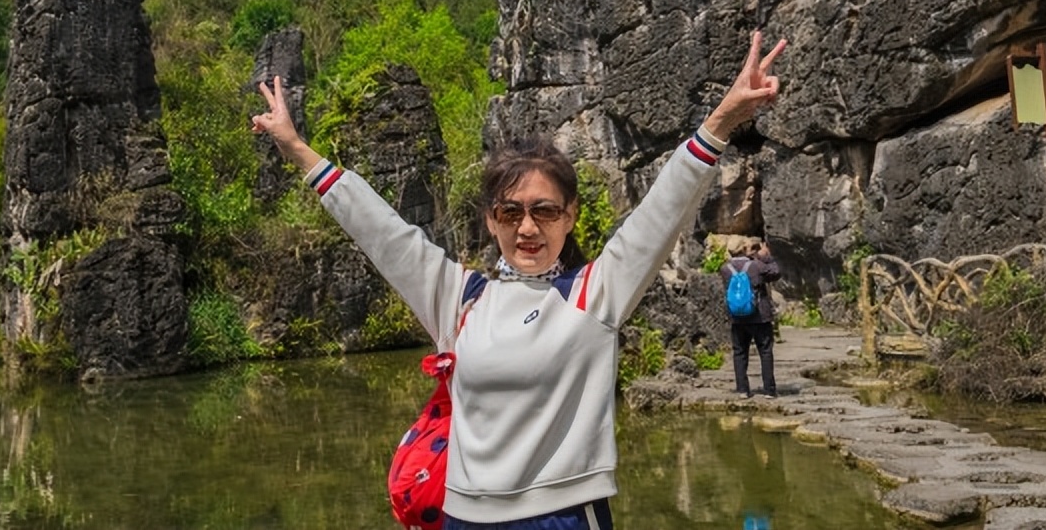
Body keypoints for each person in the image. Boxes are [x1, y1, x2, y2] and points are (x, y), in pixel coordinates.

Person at [251, 31, 786, 529]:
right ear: (491, 219)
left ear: (570, 216)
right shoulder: (459, 301)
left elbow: (661, 211)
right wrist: (297, 148)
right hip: (462, 515)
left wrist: (721, 120)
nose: (527, 228)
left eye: (544, 211)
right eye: (511, 212)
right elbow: (382, 233)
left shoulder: (594, 294)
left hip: (563, 515)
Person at [720, 239, 781, 397]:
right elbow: (776, 273)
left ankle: (742, 390)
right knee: (765, 351)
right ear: (744, 248)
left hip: (737, 317)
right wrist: (766, 256)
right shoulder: (756, 265)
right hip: (759, 316)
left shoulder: (725, 268)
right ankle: (769, 390)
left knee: (739, 353)